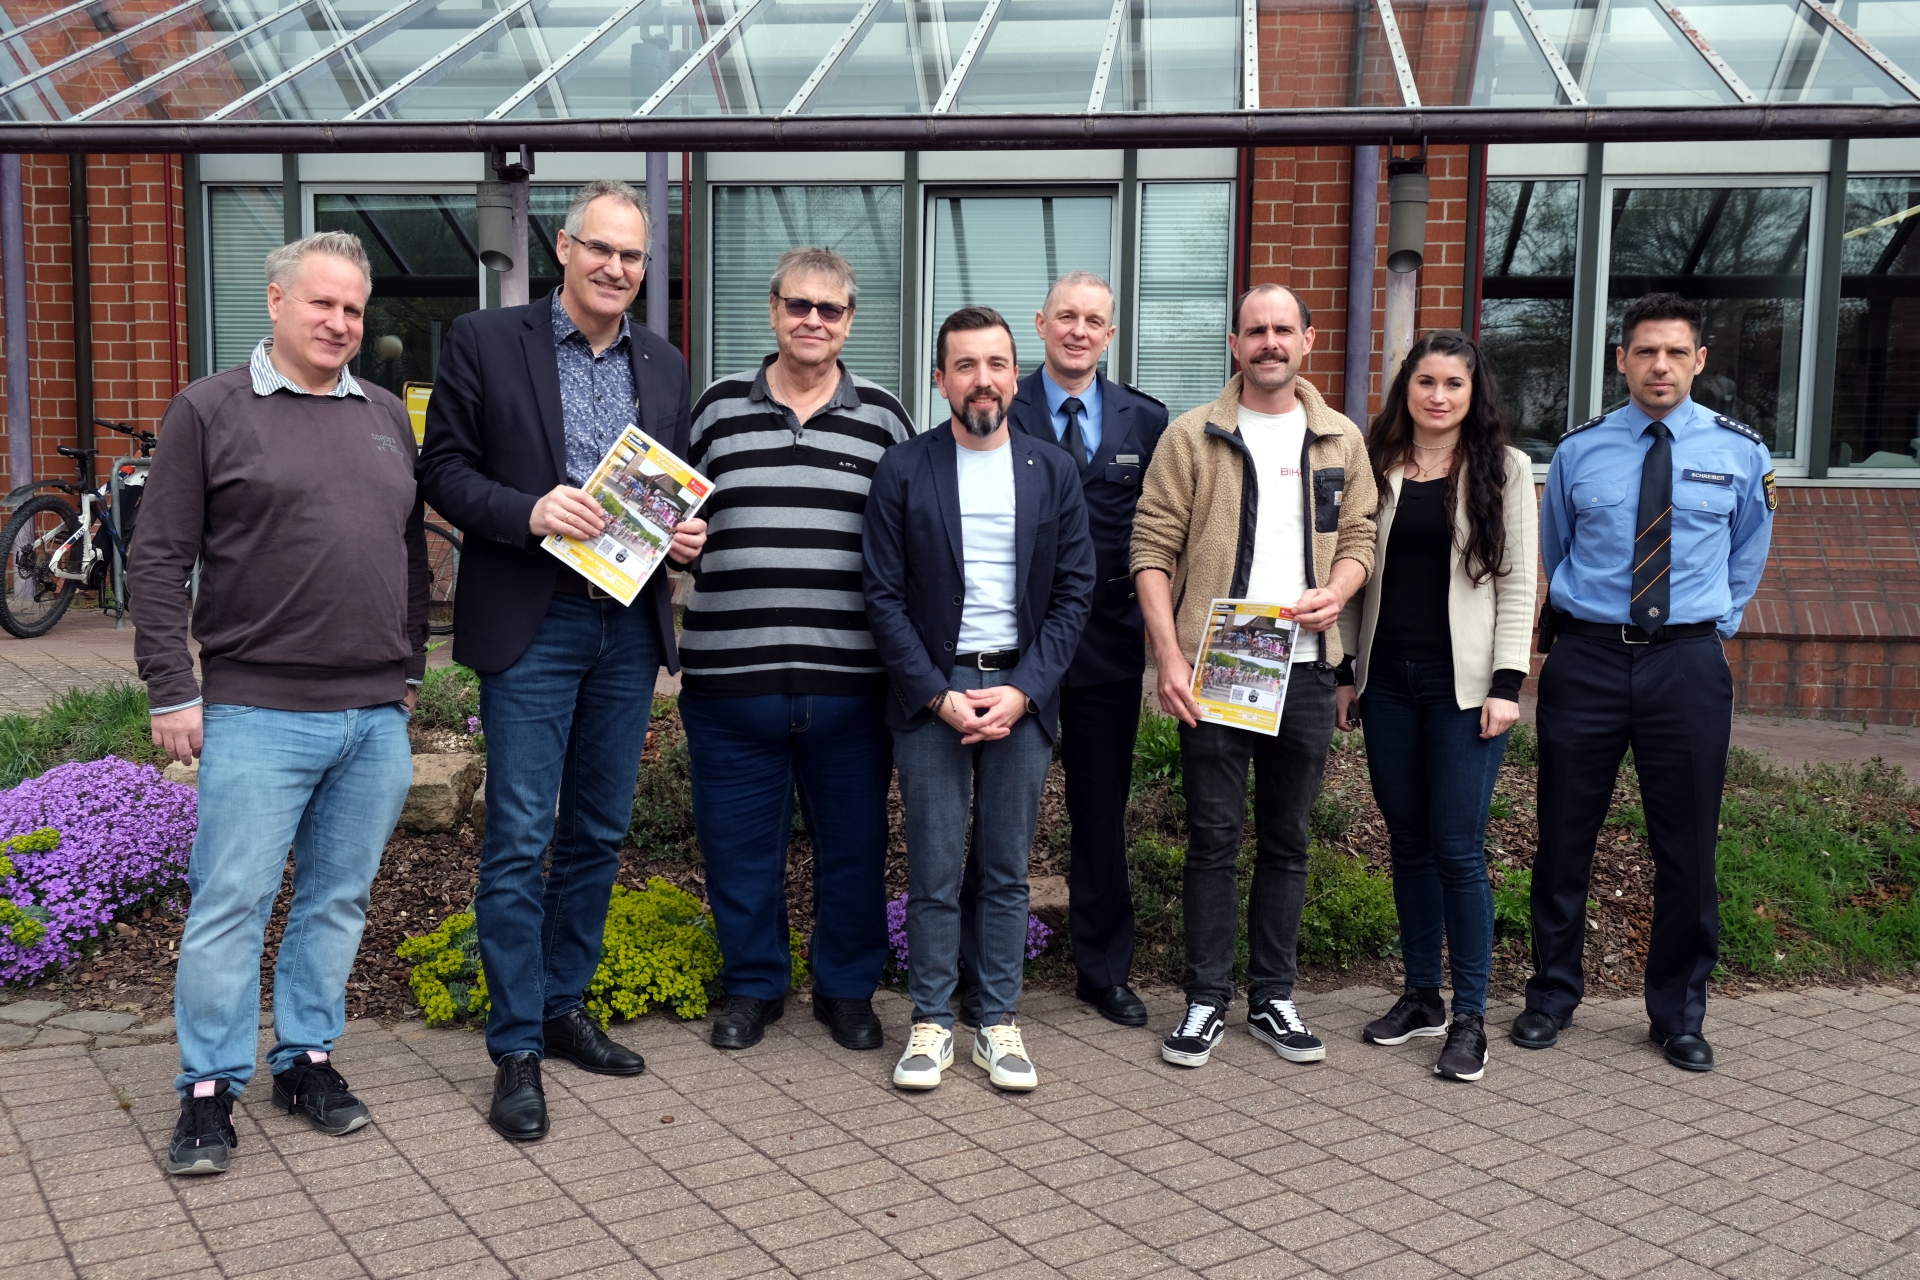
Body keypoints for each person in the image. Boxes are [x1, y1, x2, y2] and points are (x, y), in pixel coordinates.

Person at [131, 231, 429, 1176]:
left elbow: (410, 554)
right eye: (322, 304)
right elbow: (157, 556)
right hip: (257, 710)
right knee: (231, 902)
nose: (340, 323)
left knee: (338, 901)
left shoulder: (385, 411)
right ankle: (209, 1091)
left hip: (374, 716)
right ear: (275, 301)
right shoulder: (210, 409)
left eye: (354, 309)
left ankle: (305, 1060)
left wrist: (410, 672)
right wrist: (172, 688)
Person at [418, 179, 706, 1142]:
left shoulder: (664, 364)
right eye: (602, 250)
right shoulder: (484, 342)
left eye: (634, 257)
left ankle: (562, 1005)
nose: (618, 269)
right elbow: (443, 471)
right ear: (565, 248)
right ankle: (514, 1047)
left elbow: (660, 489)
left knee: (596, 831)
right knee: (516, 839)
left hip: (626, 624)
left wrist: (681, 536)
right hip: (530, 622)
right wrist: (529, 510)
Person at [1516, 292, 1774, 1073]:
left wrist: (1711, 626)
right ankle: (1552, 996)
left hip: (1686, 664)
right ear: (1621, 360)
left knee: (1687, 846)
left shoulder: (1739, 451)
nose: (1659, 365)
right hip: (1588, 659)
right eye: (1644, 352)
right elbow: (1555, 550)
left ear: (1699, 361)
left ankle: (1678, 1013)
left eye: (1675, 353)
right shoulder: (1579, 450)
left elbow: (1748, 551)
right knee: (1563, 837)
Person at [1131, 282, 1377, 1070]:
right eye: (1254, 331)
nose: (1269, 343)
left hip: (1304, 669)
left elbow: (1362, 535)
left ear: (1308, 341)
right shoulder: (1192, 436)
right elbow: (1150, 549)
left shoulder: (1340, 438)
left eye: (1283, 330)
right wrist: (1169, 657)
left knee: (1288, 840)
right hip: (1220, 664)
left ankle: (1273, 997)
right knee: (1211, 840)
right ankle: (1206, 999)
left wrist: (1335, 593)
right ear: (1234, 345)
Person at [681, 247, 913, 1054]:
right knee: (739, 850)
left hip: (852, 688)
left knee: (853, 850)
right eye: (799, 306)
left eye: (831, 310)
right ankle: (754, 987)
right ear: (773, 309)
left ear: (850, 321)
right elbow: (666, 523)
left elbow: (915, 541)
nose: (813, 321)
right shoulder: (713, 410)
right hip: (728, 683)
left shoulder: (885, 418)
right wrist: (676, 548)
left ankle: (846, 990)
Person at [863, 306, 1094, 1093]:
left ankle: (996, 1022)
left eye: (996, 363)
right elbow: (882, 598)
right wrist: (936, 696)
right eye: (965, 365)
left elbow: (1074, 594)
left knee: (1004, 869)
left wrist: (1025, 692)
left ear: (1014, 374)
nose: (982, 380)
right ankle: (931, 1020)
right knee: (931, 867)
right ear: (940, 380)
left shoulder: (1051, 469)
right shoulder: (904, 469)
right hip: (934, 696)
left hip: (1019, 695)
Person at [1334, 330, 1537, 1083]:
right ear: (1407, 390)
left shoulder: (1505, 470)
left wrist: (1507, 686)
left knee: (1458, 847)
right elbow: (1353, 571)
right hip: (1387, 684)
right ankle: (1423, 996)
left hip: (1464, 690)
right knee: (1408, 841)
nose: (1439, 395)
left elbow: (1520, 583)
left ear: (1473, 392)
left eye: (1454, 382)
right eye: (1426, 381)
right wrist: (1346, 672)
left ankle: (1473, 1015)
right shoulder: (1377, 468)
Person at [995, 269, 1168, 1028]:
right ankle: (981, 964)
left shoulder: (1147, 420)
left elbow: (1165, 531)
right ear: (1040, 323)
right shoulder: (1003, 402)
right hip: (1015, 646)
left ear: (1110, 333)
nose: (1077, 330)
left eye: (1093, 320)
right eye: (1065, 316)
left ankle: (1103, 971)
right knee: (1001, 815)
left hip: (1106, 647)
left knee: (1100, 814)